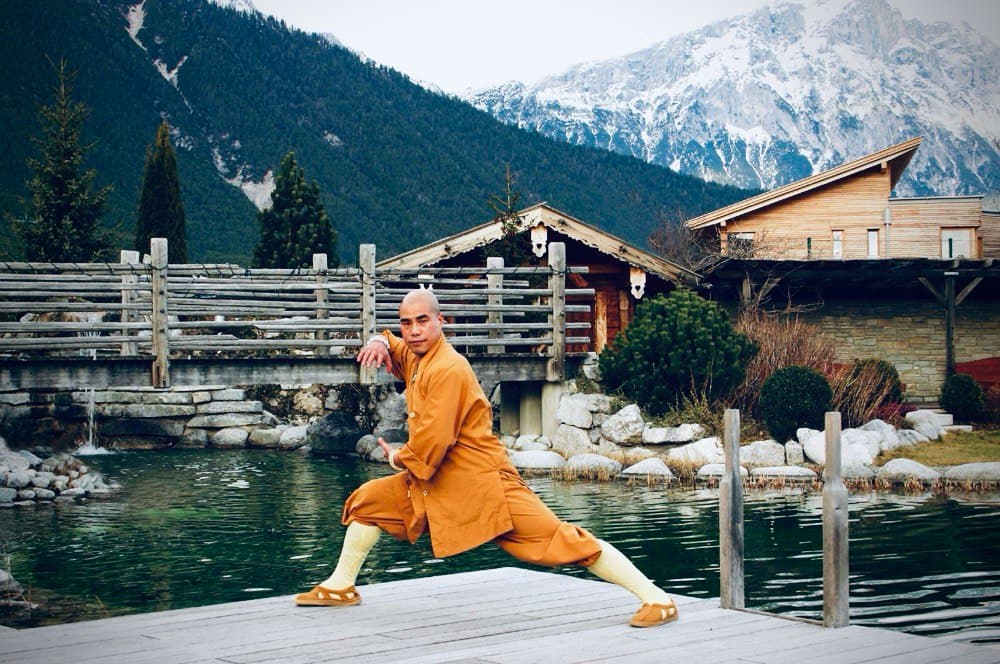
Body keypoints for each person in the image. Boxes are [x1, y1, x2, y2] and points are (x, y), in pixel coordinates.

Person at [294, 288, 678, 628]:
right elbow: (395, 348)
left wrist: (398, 459)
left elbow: (433, 442)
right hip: (436, 482)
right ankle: (340, 586)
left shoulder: (447, 369)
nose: (412, 330)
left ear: (442, 322)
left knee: (562, 540)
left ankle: (657, 599)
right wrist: (379, 338)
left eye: (422, 321)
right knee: (368, 502)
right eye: (406, 323)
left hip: (483, 483)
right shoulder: (417, 355)